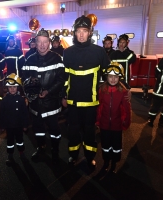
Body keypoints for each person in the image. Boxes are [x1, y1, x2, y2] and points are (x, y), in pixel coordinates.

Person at [62, 15, 110, 170]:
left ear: (90, 32)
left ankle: (90, 158)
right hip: (73, 102)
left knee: (90, 133)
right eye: (78, 31)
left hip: (91, 102)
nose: (81, 34)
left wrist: (124, 88)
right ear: (74, 33)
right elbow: (65, 77)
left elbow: (110, 75)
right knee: (73, 131)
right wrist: (64, 96)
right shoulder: (67, 52)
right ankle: (73, 156)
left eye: (85, 30)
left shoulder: (99, 52)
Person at [22, 28, 65, 163]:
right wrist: (29, 91)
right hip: (35, 104)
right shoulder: (29, 59)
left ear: (49, 43)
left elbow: (61, 79)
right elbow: (24, 78)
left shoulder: (57, 58)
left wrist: (48, 91)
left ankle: (55, 152)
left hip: (51, 102)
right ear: (35, 42)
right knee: (38, 129)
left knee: (54, 130)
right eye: (39, 42)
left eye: (45, 42)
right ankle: (41, 148)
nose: (42, 45)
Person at [95, 62, 131, 173]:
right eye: (110, 76)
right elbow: (98, 106)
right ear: (107, 77)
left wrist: (126, 121)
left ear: (119, 78)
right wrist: (97, 120)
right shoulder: (101, 90)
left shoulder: (123, 91)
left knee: (116, 146)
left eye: (116, 77)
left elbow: (126, 109)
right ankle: (106, 162)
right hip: (104, 124)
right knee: (105, 145)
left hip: (117, 125)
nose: (113, 79)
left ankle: (114, 163)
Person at [0, 73, 29, 165]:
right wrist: (2, 126)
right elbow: (2, 114)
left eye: (14, 87)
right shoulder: (4, 100)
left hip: (19, 126)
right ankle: (10, 154)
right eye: (10, 87)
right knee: (10, 141)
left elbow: (24, 113)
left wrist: (25, 125)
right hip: (9, 126)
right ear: (7, 88)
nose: (12, 89)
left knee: (20, 140)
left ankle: (21, 152)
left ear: (18, 88)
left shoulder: (21, 99)